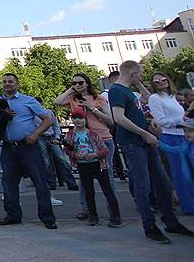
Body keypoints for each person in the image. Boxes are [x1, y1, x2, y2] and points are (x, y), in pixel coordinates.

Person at [108, 60, 192, 243]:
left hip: (145, 141)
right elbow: (119, 118)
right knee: (143, 185)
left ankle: (171, 221)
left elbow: (145, 101)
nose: (142, 78)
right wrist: (144, 134)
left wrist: (147, 123)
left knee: (162, 182)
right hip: (133, 144)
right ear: (132, 73)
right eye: (139, 74)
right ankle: (150, 226)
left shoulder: (129, 91)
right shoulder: (117, 91)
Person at [0, 73, 57, 229]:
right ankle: (13, 215)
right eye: (4, 82)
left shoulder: (28, 100)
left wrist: (35, 134)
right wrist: (0, 114)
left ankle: (47, 217)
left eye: (10, 81)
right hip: (8, 147)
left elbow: (47, 120)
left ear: (17, 84)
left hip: (28, 146)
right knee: (9, 183)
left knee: (40, 182)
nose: (7, 84)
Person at [55, 73, 116, 220]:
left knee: (108, 175)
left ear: (87, 83)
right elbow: (57, 101)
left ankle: (113, 209)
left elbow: (111, 120)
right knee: (84, 177)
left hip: (102, 138)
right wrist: (71, 90)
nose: (77, 85)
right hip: (81, 141)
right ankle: (86, 208)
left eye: (80, 83)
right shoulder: (72, 99)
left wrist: (92, 108)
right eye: (74, 83)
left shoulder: (98, 99)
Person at [62, 108, 122, 227]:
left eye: (80, 118)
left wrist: (95, 154)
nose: (78, 120)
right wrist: (75, 155)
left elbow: (104, 150)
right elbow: (67, 148)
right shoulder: (70, 135)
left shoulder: (93, 134)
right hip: (82, 164)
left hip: (98, 163)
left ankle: (115, 215)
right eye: (75, 118)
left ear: (85, 119)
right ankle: (93, 215)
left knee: (107, 190)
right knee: (88, 191)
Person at [147, 72, 193, 214]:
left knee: (189, 172)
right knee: (180, 173)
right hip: (170, 137)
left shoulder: (171, 96)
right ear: (153, 85)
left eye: (163, 79)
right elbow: (161, 121)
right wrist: (182, 120)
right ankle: (188, 206)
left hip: (183, 135)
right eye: (156, 81)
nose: (161, 81)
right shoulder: (154, 98)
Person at [38, 107, 78, 192]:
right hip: (40, 137)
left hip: (51, 137)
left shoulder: (48, 112)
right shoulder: (33, 115)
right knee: (46, 162)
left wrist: (57, 137)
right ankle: (51, 183)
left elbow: (55, 125)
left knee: (61, 159)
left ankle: (71, 182)